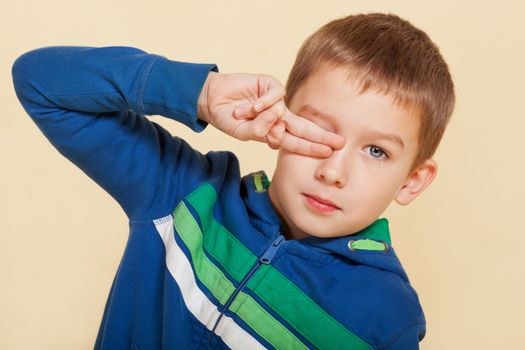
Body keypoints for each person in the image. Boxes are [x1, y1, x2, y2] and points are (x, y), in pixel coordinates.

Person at [11, 12, 455, 350]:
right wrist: (198, 93)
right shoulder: (184, 192)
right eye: (318, 132)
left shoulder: (386, 317)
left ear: (413, 181)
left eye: (376, 151)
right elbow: (39, 82)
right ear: (278, 117)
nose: (332, 172)